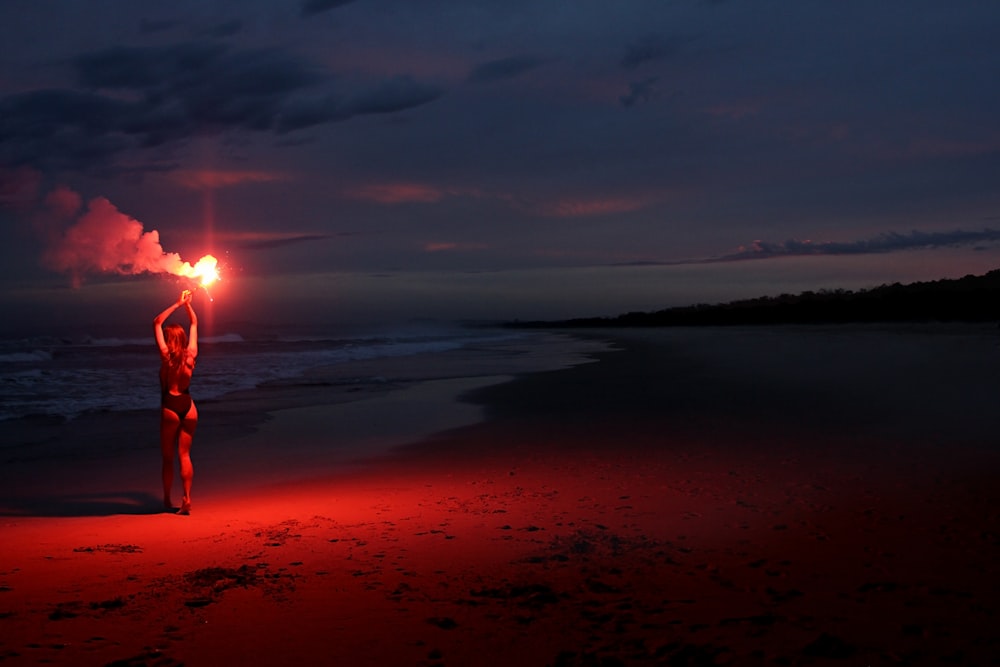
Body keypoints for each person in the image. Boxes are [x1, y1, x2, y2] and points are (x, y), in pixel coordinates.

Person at [154, 289, 199, 515]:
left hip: (170, 406)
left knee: (168, 457)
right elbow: (194, 322)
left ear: (169, 339)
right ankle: (187, 498)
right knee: (185, 455)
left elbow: (156, 321)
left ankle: (166, 498)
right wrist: (188, 305)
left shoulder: (166, 356)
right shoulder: (191, 354)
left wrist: (177, 304)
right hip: (189, 406)